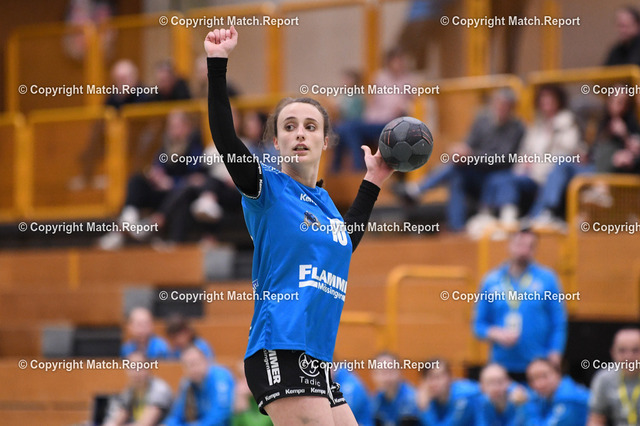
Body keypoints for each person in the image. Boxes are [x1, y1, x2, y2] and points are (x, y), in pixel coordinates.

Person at [204, 26, 394, 425]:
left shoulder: (325, 205)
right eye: (289, 127)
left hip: (317, 357)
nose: (300, 134)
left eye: (310, 126)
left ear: (326, 140)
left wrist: (372, 182)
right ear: (276, 142)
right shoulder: (266, 188)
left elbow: (344, 241)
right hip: (280, 347)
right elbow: (226, 139)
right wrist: (217, 65)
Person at [98, 109, 206, 250]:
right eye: (170, 126)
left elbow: (196, 177)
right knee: (136, 180)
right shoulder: (166, 147)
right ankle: (128, 219)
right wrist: (156, 176)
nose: (173, 130)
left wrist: (172, 182)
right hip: (161, 192)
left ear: (187, 127)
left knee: (182, 196)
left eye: (177, 126)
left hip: (179, 195)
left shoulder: (195, 147)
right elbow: (158, 166)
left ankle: (160, 228)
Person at [472, 228, 567, 382]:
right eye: (520, 244)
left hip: (538, 364)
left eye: (530, 246)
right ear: (509, 245)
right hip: (502, 366)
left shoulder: (548, 279)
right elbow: (478, 325)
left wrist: (555, 352)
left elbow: (558, 322)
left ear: (535, 250)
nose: (524, 250)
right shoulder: (491, 281)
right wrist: (495, 333)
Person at [490, 85, 581, 228]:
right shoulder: (536, 126)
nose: (546, 102)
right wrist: (523, 165)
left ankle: (544, 214)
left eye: (550, 98)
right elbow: (524, 152)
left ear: (559, 101)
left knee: (556, 170)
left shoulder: (567, 123)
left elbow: (568, 152)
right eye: (543, 99)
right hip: (532, 176)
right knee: (503, 178)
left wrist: (552, 134)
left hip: (550, 174)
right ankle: (507, 218)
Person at [333, 47, 415, 171]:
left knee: (348, 128)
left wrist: (402, 107)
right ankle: (343, 169)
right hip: (373, 120)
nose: (399, 64)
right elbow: (372, 102)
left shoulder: (408, 81)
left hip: (391, 122)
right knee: (345, 128)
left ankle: (358, 169)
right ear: (389, 62)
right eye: (396, 60)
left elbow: (413, 103)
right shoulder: (380, 78)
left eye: (401, 60)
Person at [165, 345, 235, 426]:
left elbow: (219, 416)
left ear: (206, 361)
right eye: (188, 366)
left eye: (195, 363)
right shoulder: (187, 384)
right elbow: (176, 415)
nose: (193, 369)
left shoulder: (220, 377)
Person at [103, 351, 173, 426]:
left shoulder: (159, 389)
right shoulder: (130, 391)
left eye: (140, 366)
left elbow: (145, 424)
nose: (136, 372)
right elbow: (117, 420)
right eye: (132, 367)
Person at [588, 328, 640, 426]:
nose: (629, 357)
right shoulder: (604, 379)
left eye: (635, 350)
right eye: (622, 351)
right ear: (613, 353)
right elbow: (596, 419)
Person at [524, 358, 590, 425]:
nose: (539, 384)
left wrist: (527, 403)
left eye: (544, 376)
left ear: (558, 373)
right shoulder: (548, 394)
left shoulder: (568, 398)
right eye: (532, 379)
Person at [416, 359, 480, 425]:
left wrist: (425, 410)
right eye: (430, 378)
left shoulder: (463, 397)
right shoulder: (432, 399)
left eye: (438, 377)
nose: (434, 383)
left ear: (450, 377)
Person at [371, 352, 420, 425]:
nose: (387, 378)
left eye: (391, 371)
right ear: (373, 375)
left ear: (400, 372)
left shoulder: (412, 398)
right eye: (382, 372)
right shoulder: (376, 399)